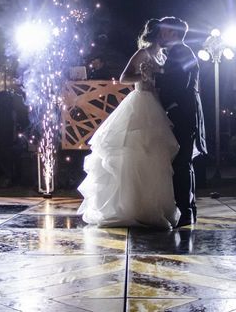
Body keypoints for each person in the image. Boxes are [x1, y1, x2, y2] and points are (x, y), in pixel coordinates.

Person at [77, 19, 180, 228]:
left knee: (155, 157)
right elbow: (124, 77)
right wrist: (142, 76)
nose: (168, 36)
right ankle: (131, 207)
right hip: (141, 103)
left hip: (157, 105)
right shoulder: (143, 53)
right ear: (157, 34)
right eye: (165, 32)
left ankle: (153, 206)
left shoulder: (163, 55)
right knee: (134, 154)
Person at [156, 17, 207, 227]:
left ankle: (185, 211)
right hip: (188, 112)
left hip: (182, 113)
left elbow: (177, 84)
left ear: (173, 33)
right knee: (185, 163)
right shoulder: (183, 51)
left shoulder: (179, 52)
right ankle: (189, 210)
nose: (160, 34)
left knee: (181, 163)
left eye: (164, 31)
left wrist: (169, 105)